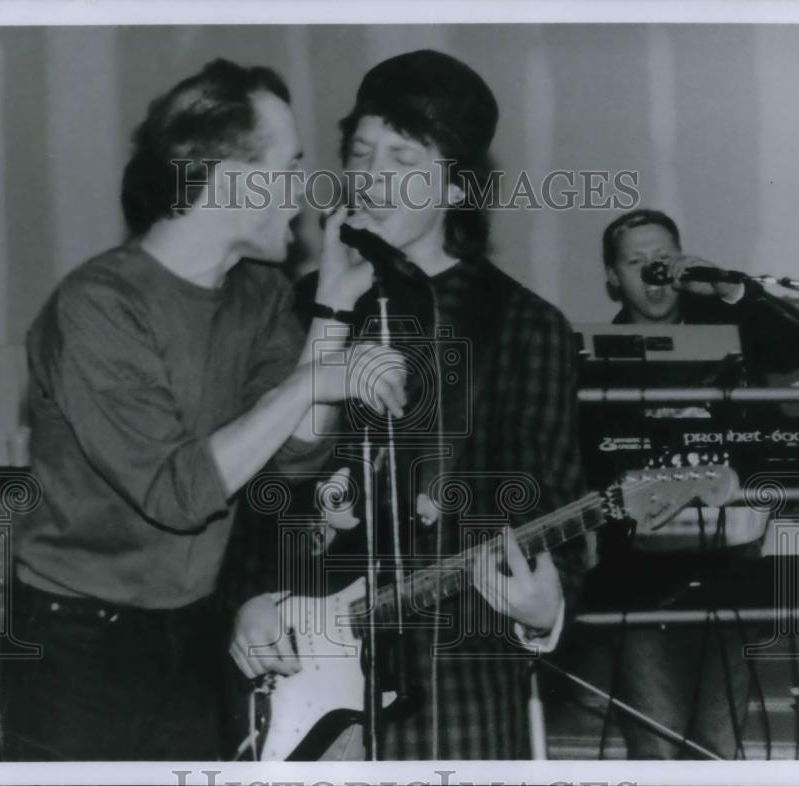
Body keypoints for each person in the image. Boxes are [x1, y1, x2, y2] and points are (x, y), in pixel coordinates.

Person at [0, 58, 406, 761]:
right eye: (291, 165)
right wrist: (312, 382)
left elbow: (298, 453)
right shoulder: (99, 306)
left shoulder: (259, 293)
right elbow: (179, 493)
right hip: (76, 643)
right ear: (232, 180)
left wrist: (334, 307)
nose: (306, 191)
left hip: (191, 626)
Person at [227, 49, 589, 761]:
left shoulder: (522, 324)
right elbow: (260, 491)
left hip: (459, 681)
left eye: (402, 158)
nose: (372, 177)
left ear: (457, 186)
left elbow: (555, 507)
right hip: (304, 675)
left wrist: (548, 607)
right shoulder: (299, 308)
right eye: (361, 153)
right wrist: (248, 598)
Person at [594, 208, 799, 759]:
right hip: (639, 583)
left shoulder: (730, 332)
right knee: (657, 745)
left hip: (729, 569)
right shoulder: (593, 358)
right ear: (613, 278)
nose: (653, 271)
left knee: (718, 746)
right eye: (636, 261)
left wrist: (731, 290)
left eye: (663, 258)